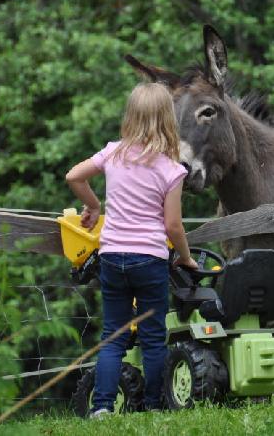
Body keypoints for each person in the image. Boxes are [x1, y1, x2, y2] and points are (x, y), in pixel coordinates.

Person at [66, 82, 197, 417]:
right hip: (150, 261)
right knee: (153, 338)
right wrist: (185, 257)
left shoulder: (113, 153)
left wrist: (93, 206)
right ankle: (154, 407)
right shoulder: (171, 170)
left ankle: (103, 408)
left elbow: (73, 176)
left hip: (112, 258)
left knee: (113, 336)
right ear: (168, 120)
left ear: (131, 116)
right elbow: (172, 226)